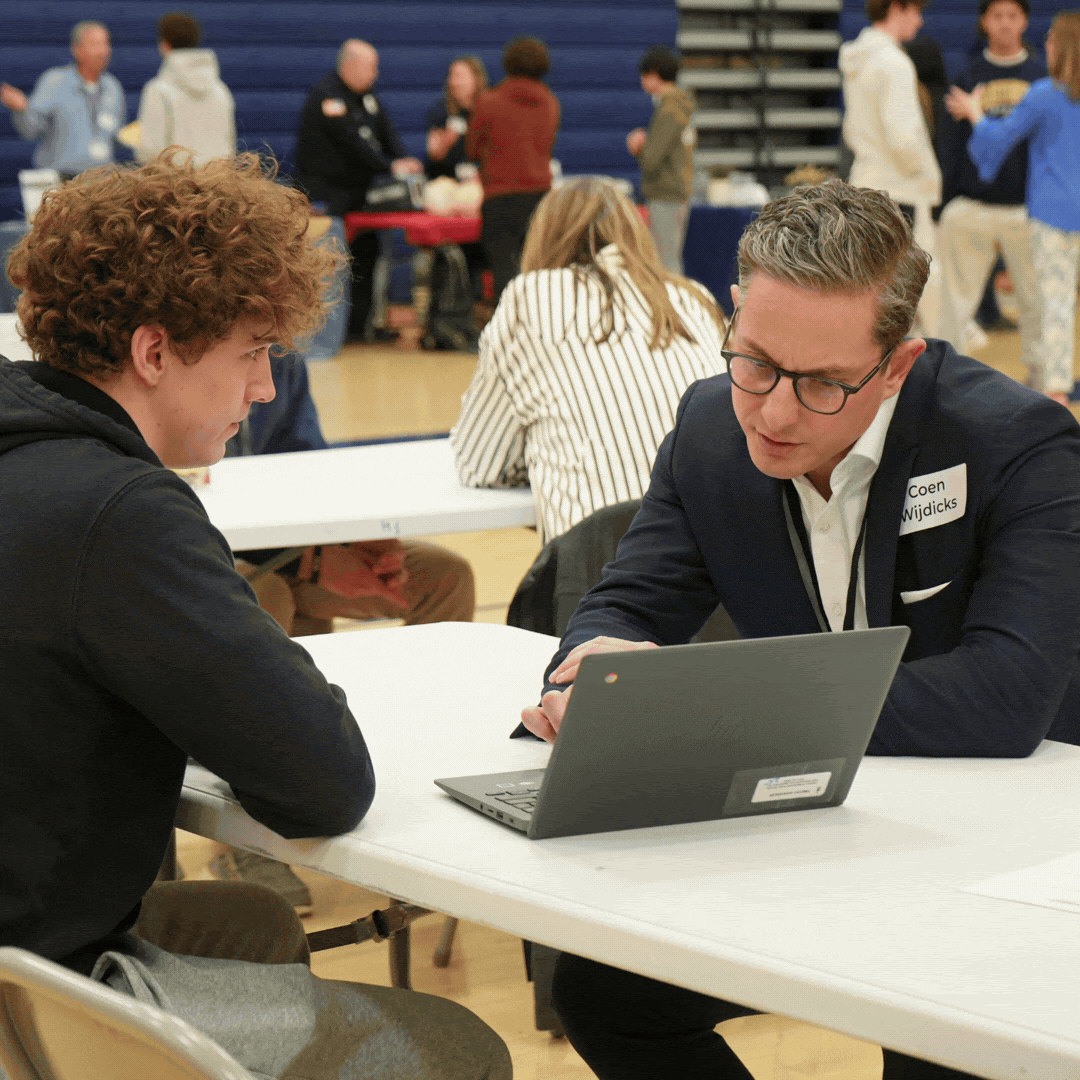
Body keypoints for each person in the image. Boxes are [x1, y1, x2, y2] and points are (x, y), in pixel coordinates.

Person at [517, 179, 1080, 1080]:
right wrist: (591, 665)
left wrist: (700, 713)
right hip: (826, 826)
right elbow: (627, 599)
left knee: (937, 1043)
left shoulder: (1018, 444)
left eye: (822, 384)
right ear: (734, 314)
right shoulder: (709, 425)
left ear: (897, 364)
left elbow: (1006, 699)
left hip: (1003, 860)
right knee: (608, 992)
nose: (773, 412)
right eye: (755, 361)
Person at [0, 151, 511, 1080]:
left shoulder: (29, 453)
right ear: (155, 352)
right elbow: (322, 781)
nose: (267, 389)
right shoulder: (123, 511)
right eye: (253, 353)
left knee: (257, 924)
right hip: (34, 982)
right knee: (456, 1052)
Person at [452, 176, 725, 542]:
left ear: (545, 236)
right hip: (720, 566)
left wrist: (542, 451)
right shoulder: (694, 297)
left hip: (604, 571)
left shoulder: (531, 297)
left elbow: (480, 464)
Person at [946, 11, 1080, 407]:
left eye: (1052, 38)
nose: (1047, 44)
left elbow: (995, 141)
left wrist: (973, 112)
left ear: (1061, 45)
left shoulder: (1043, 93)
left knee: (1053, 304)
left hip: (1052, 218)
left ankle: (1055, 389)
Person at [936, 0, 1045, 363]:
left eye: (1012, 16)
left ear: (1025, 21)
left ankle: (1045, 382)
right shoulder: (968, 74)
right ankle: (945, 378)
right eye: (997, 16)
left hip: (1026, 208)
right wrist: (945, 198)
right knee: (954, 305)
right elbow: (951, 145)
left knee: (1037, 303)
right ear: (984, 21)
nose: (1004, 24)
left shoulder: (1040, 77)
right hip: (976, 204)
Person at [293, 40, 423, 342]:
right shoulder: (327, 98)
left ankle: (360, 328)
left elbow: (387, 135)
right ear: (349, 65)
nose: (376, 74)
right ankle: (327, 333)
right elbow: (354, 146)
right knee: (333, 262)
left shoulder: (368, 98)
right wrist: (391, 167)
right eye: (371, 67)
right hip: (328, 197)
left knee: (368, 255)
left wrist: (402, 160)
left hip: (360, 197)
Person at [840, 0, 942, 335]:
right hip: (900, 191)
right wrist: (921, 173)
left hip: (868, 183)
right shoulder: (892, 62)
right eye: (916, 12)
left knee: (872, 290)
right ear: (898, 8)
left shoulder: (860, 59)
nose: (921, 21)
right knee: (905, 296)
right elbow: (902, 136)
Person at [466, 36, 560, 305]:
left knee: (502, 269)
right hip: (540, 195)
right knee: (536, 269)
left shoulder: (488, 102)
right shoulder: (551, 103)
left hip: (500, 196)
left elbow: (472, 148)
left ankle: (507, 331)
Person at [0, 20, 125, 179]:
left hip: (101, 180)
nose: (103, 51)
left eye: (105, 44)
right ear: (77, 50)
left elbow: (116, 137)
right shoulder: (55, 81)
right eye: (95, 44)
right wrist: (21, 109)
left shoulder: (114, 86)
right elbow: (31, 129)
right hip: (61, 180)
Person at [626, 45, 696, 275]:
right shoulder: (679, 104)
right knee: (668, 259)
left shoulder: (670, 107)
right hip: (675, 191)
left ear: (655, 74)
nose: (642, 81)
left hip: (666, 193)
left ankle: (675, 309)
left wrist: (639, 145)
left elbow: (652, 158)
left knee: (666, 264)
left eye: (644, 75)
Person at [136, 11, 236, 165]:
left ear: (164, 44)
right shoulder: (221, 90)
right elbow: (230, 149)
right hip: (217, 184)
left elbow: (150, 151)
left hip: (176, 186)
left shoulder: (158, 90)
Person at [425, 55, 488, 181]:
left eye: (460, 77)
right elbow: (434, 153)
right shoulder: (441, 110)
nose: (454, 82)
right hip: (446, 179)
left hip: (482, 180)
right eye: (451, 76)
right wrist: (449, 136)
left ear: (476, 80)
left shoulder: (488, 109)